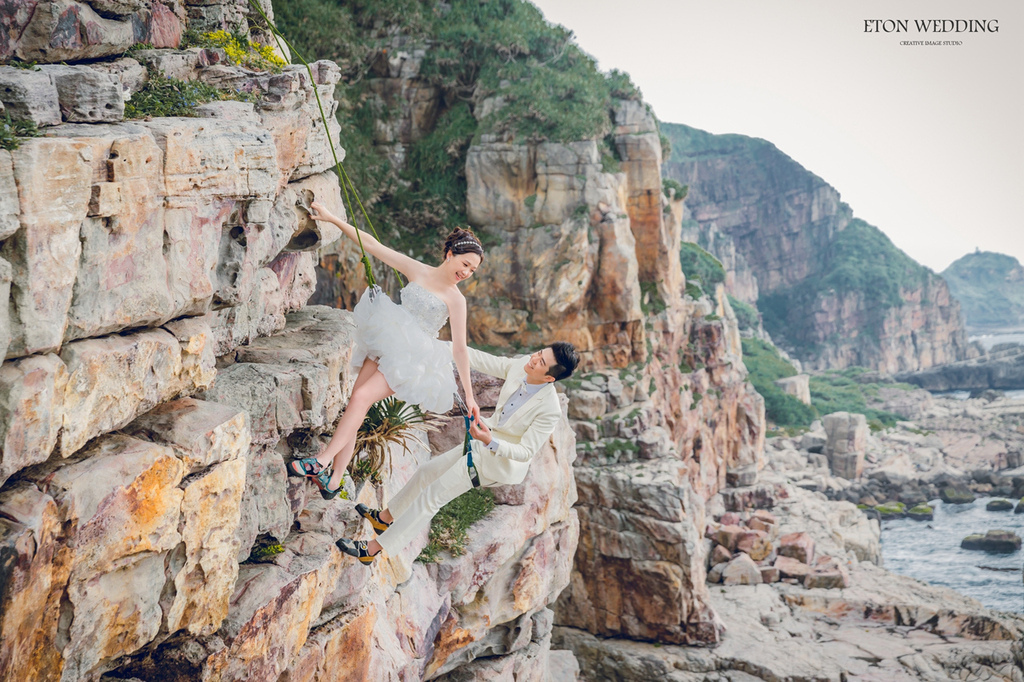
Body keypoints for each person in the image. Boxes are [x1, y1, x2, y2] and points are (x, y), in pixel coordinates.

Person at [290, 201, 484, 499]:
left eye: (472, 269)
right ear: (450, 254)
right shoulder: (417, 270)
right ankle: (334, 481)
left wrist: (470, 397)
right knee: (357, 403)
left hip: (413, 359)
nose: (467, 272)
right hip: (389, 339)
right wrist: (332, 219)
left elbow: (460, 349)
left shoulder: (456, 301)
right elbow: (372, 245)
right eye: (465, 263)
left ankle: (322, 461)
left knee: (362, 397)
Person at [335, 342, 579, 565]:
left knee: (432, 496)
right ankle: (384, 518)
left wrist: (490, 440)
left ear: (549, 377)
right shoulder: (522, 365)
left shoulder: (549, 409)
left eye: (541, 361)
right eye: (539, 352)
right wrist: (441, 345)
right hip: (481, 442)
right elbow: (480, 358)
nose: (534, 358)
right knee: (426, 471)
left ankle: (373, 549)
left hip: (496, 463)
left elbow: (526, 452)